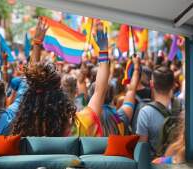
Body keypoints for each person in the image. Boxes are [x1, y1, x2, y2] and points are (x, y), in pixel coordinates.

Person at [11, 19, 141, 137]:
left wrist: (37, 44)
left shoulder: (25, 129)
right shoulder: (80, 124)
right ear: (59, 92)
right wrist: (103, 52)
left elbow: (34, 80)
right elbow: (100, 91)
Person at [135, 65, 183, 157]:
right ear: (173, 84)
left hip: (157, 166)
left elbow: (141, 148)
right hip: (180, 163)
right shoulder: (183, 106)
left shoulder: (145, 113)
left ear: (152, 84)